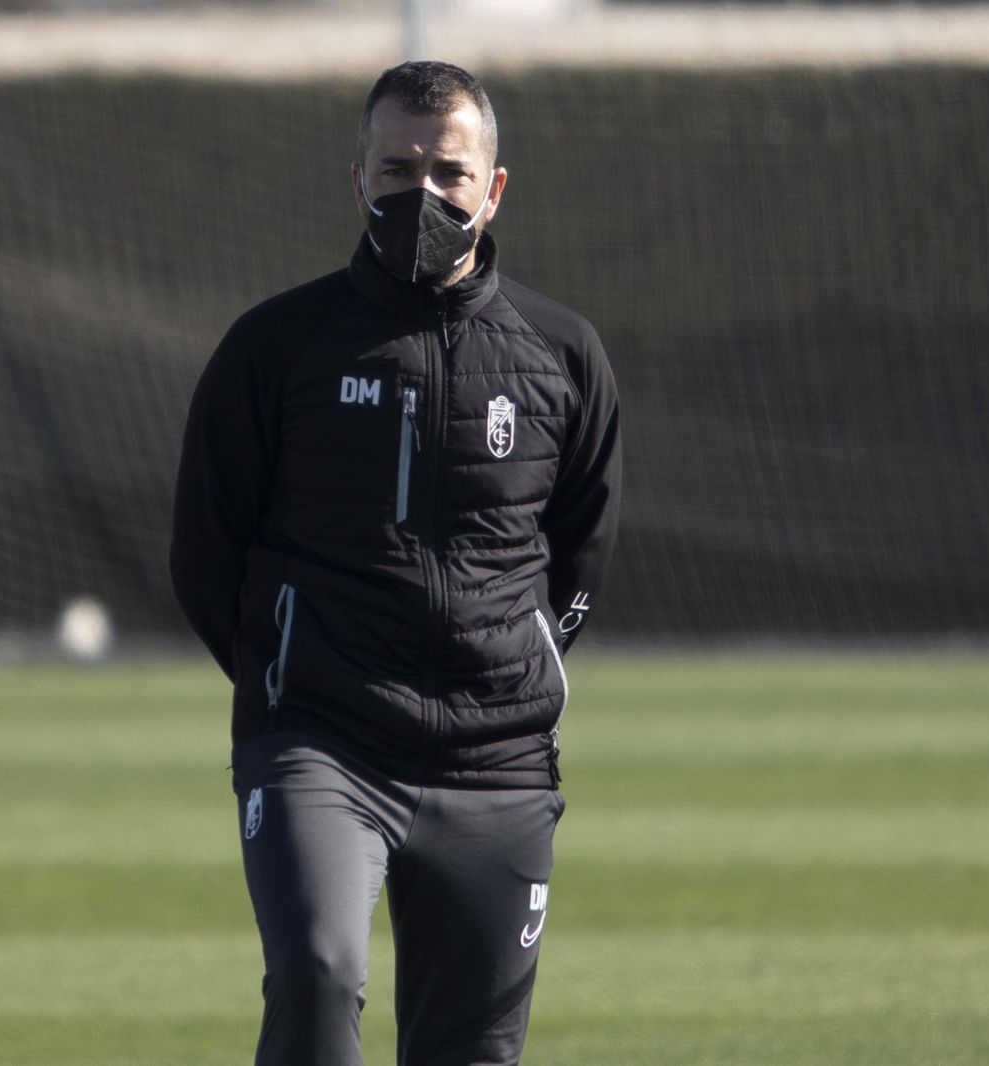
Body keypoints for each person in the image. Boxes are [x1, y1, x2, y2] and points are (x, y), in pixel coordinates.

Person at [170, 60, 621, 1066]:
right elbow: (206, 554)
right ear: (357, 178)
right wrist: (290, 672)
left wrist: (514, 658)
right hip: (322, 745)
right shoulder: (276, 346)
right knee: (316, 975)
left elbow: (583, 547)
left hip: (497, 759)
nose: (423, 193)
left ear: (493, 187)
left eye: (449, 172)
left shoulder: (563, 354)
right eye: (397, 168)